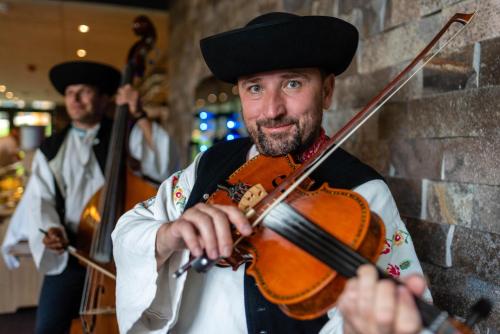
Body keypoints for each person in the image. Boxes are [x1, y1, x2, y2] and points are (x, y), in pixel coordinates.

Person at [112, 12, 430, 334]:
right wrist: (166, 236)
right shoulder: (210, 163)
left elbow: (382, 315)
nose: (272, 109)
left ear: (328, 91)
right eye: (255, 88)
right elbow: (128, 229)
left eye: (292, 83)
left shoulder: (362, 194)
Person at [1, 61, 178, 334]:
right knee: (49, 327)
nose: (74, 98)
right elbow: (41, 199)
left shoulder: (124, 134)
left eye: (84, 91)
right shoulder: (52, 147)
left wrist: (139, 114)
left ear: (105, 97)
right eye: (70, 92)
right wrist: (51, 229)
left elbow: (163, 164)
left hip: (120, 256)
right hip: (72, 252)